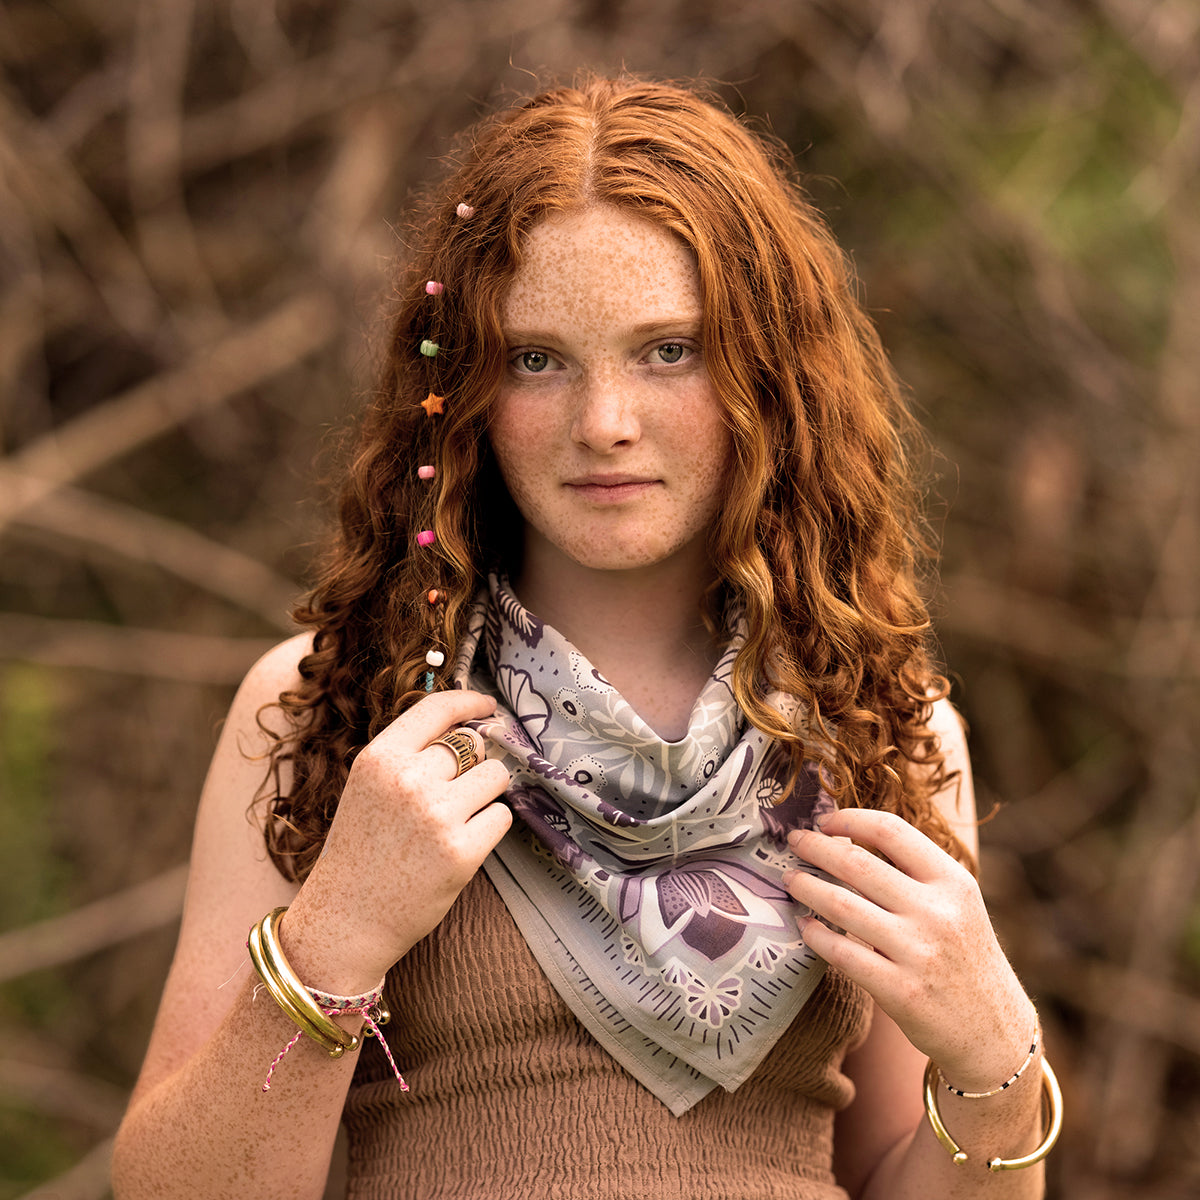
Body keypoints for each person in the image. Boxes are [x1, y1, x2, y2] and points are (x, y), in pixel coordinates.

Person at [111, 75, 1059, 1199]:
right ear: (462, 390)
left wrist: (997, 1056)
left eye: (669, 350)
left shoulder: (882, 725)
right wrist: (333, 938)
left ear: (771, 374)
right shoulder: (328, 713)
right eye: (537, 359)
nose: (604, 423)